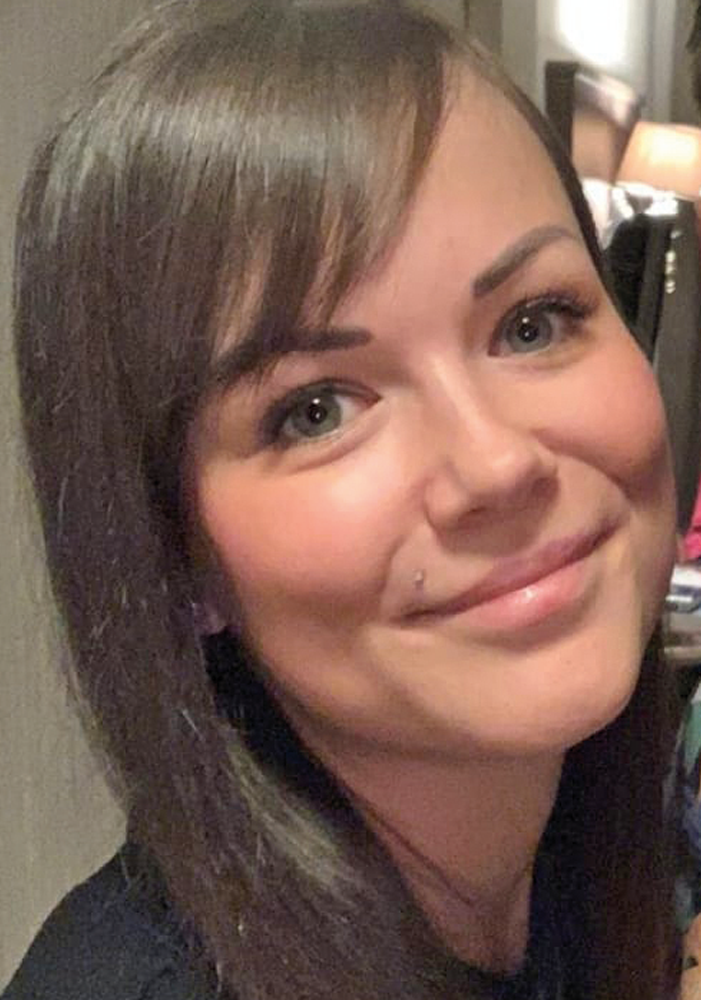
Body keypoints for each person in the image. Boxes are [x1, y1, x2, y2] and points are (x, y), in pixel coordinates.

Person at [3, 2, 681, 998]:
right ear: (174, 557)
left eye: (532, 323)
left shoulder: (580, 842)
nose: (495, 465)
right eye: (314, 410)